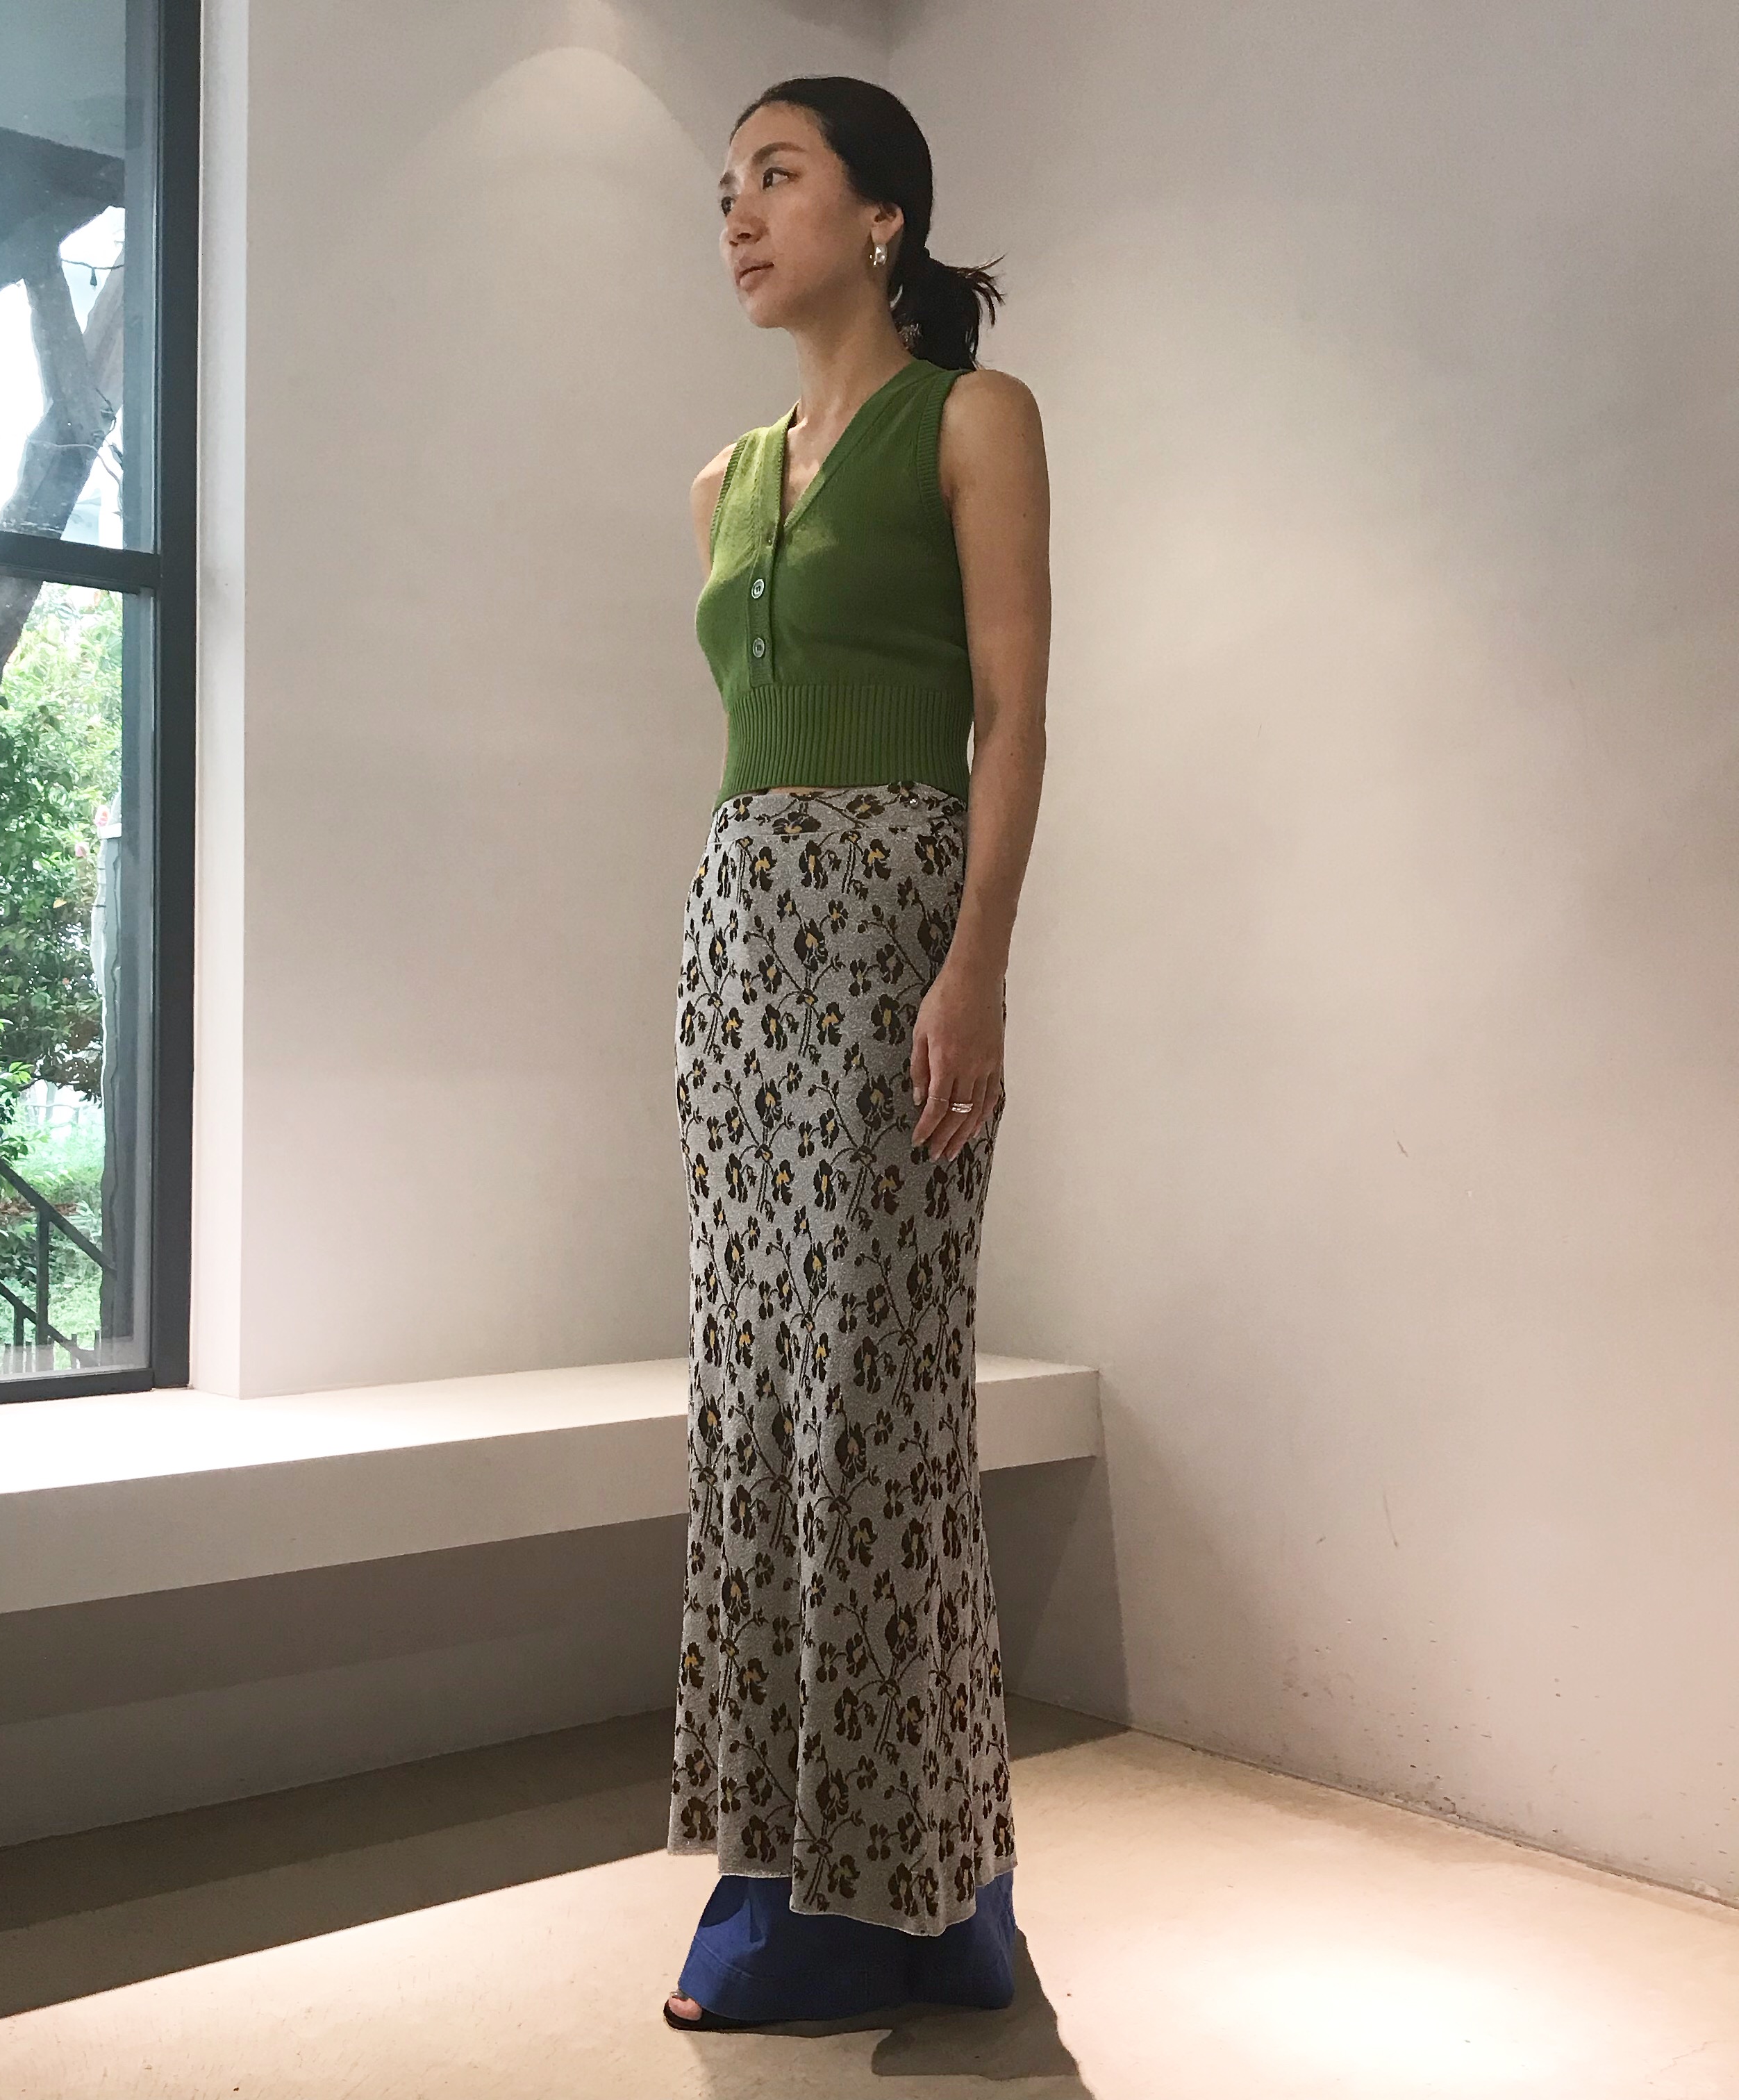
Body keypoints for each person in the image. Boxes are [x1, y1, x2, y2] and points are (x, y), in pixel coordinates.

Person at [664, 75, 1052, 2031]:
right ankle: (783, 1863)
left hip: (894, 935)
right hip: (741, 953)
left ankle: (905, 1894)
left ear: (883, 214)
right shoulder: (726, 479)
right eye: (726, 187)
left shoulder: (973, 420)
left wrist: (975, 966)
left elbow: (1013, 718)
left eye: (779, 176)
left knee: (878, 1409)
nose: (739, 214)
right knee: (754, 1408)